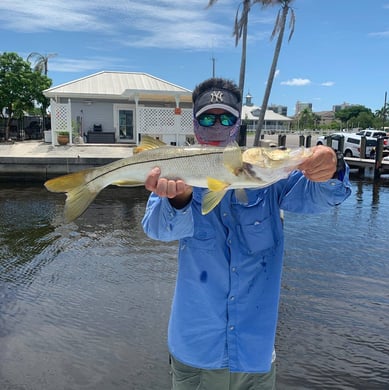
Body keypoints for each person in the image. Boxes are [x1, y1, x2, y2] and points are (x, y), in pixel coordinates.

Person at [142, 77, 351, 390]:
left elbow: (323, 196)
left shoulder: (267, 175)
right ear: (195, 125)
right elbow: (156, 229)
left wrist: (331, 169)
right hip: (196, 352)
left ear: (236, 125)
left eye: (225, 118)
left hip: (254, 356)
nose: (216, 127)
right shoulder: (178, 169)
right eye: (207, 118)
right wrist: (180, 199)